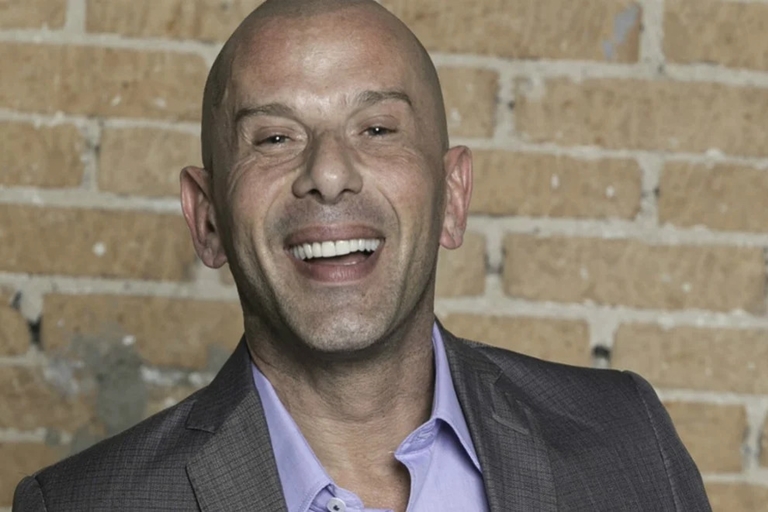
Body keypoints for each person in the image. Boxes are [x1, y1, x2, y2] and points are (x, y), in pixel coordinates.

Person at [14, 0, 711, 510]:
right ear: (208, 219)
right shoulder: (81, 505)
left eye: (377, 129)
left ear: (453, 197)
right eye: (275, 138)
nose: (328, 172)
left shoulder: (627, 440)